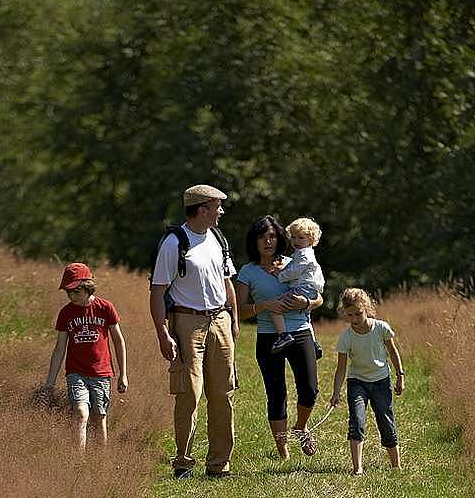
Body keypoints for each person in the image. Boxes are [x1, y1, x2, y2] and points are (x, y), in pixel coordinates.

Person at [150, 183, 239, 479]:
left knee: (223, 393)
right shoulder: (174, 243)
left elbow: (228, 283)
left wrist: (233, 320)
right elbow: (157, 290)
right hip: (187, 323)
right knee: (190, 393)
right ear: (202, 210)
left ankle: (219, 465)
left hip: (220, 321)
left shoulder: (218, 238)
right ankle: (183, 462)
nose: (221, 211)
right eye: (217, 207)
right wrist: (163, 333)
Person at [235, 215, 322, 461]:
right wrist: (264, 305)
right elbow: (240, 311)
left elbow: (318, 298)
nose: (268, 241)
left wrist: (306, 301)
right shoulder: (247, 271)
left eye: (272, 236)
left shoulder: (295, 261)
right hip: (267, 336)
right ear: (254, 241)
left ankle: (301, 427)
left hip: (301, 331)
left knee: (310, 389)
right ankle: (283, 451)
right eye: (262, 237)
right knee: (276, 393)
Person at [40, 262, 128, 452]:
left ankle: (100, 463)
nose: (72, 297)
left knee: (99, 418)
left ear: (87, 287)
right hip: (76, 372)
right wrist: (50, 383)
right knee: (80, 413)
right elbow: (59, 350)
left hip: (102, 373)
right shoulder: (66, 313)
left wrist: (123, 374)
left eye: (76, 292)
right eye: (68, 293)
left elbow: (119, 341)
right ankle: (78, 463)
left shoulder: (105, 308)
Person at [328, 287, 404, 475]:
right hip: (357, 383)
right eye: (350, 315)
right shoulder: (346, 337)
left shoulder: (381, 328)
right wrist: (336, 393)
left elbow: (393, 352)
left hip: (381, 381)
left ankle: (396, 465)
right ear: (345, 314)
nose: (354, 319)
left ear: (366, 308)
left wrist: (400, 375)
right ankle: (358, 467)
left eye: (358, 313)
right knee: (357, 421)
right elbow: (341, 369)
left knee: (385, 420)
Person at [270, 217, 325, 358]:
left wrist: (279, 275)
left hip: (302, 289)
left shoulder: (304, 254)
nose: (296, 241)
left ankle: (283, 336)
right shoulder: (304, 253)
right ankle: (313, 343)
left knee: (275, 308)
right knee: (306, 319)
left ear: (311, 240)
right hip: (309, 290)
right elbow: (293, 267)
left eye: (301, 238)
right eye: (293, 237)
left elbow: (294, 271)